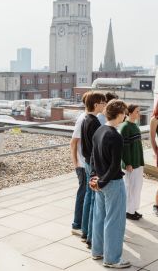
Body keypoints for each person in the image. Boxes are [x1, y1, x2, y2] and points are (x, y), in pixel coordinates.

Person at [89, 99, 131, 268]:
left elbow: (92, 157)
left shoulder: (99, 131)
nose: (125, 117)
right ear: (119, 114)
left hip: (99, 181)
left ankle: (97, 251)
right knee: (115, 221)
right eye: (125, 114)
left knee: (99, 218)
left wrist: (94, 178)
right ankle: (112, 259)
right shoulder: (115, 135)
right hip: (112, 183)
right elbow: (115, 165)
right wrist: (103, 182)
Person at [80, 91, 107, 247]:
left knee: (89, 198)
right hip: (92, 163)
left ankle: (85, 232)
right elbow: (97, 147)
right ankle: (91, 237)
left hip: (87, 161)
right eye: (103, 103)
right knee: (93, 200)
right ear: (96, 104)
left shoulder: (85, 119)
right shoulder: (95, 122)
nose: (104, 105)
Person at [70, 91, 93, 235]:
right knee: (83, 193)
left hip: (85, 163)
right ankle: (77, 224)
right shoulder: (82, 119)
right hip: (82, 164)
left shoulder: (87, 118)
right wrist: (76, 163)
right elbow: (73, 143)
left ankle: (81, 223)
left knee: (85, 193)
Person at [118, 104, 144, 220]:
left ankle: (133, 209)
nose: (139, 113)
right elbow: (124, 148)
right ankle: (128, 211)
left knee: (137, 187)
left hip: (138, 163)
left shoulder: (135, 125)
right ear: (130, 112)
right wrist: (127, 163)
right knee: (130, 188)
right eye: (137, 111)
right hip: (131, 165)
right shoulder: (125, 127)